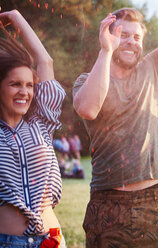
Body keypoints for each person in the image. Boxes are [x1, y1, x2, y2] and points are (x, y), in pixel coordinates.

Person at [72, 1, 158, 247]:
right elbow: (88, 108)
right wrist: (106, 51)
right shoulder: (87, 80)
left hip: (153, 202)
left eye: (137, 37)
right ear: (108, 35)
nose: (131, 41)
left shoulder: (155, 68)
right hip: (107, 204)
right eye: (123, 35)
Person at [0, 9, 66, 248]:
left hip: (51, 240)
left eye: (29, 85)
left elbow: (45, 61)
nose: (24, 92)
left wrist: (17, 17)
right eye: (15, 84)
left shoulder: (41, 124)